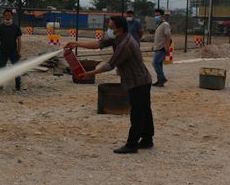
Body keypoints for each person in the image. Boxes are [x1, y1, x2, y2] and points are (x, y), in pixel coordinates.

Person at [65, 16, 154, 154]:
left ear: (119, 29)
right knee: (144, 110)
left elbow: (110, 65)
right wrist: (77, 43)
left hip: (139, 82)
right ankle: (147, 139)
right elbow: (98, 44)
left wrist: (91, 73)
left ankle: (131, 145)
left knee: (137, 113)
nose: (108, 29)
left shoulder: (126, 44)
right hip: (138, 80)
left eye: (111, 27)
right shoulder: (117, 38)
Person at [0, 9, 22, 91]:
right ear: (4, 16)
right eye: (6, 15)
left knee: (16, 68)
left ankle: (18, 86)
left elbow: (19, 40)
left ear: (11, 16)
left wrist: (19, 52)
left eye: (9, 15)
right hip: (3, 51)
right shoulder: (0, 27)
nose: (7, 17)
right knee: (1, 69)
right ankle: (0, 85)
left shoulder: (16, 27)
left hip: (13, 52)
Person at [151, 9, 171, 87]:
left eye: (158, 15)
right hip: (158, 47)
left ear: (162, 16)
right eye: (155, 15)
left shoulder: (165, 24)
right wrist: (154, 45)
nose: (156, 17)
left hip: (162, 47)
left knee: (155, 63)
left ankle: (162, 78)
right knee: (159, 64)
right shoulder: (159, 24)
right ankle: (160, 81)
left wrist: (167, 46)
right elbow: (158, 37)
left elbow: (168, 35)